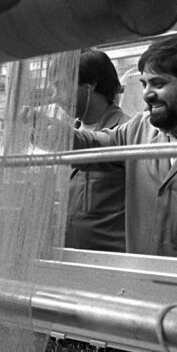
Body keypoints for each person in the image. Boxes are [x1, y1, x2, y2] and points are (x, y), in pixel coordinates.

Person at [72, 34, 177, 259]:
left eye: (159, 83)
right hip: (140, 287)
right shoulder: (139, 129)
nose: (147, 94)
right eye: (145, 84)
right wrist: (50, 130)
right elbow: (92, 146)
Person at [65, 50, 131, 251]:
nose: (55, 95)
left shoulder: (128, 135)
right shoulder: (67, 135)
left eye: (61, 85)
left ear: (89, 85)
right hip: (71, 255)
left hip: (109, 261)